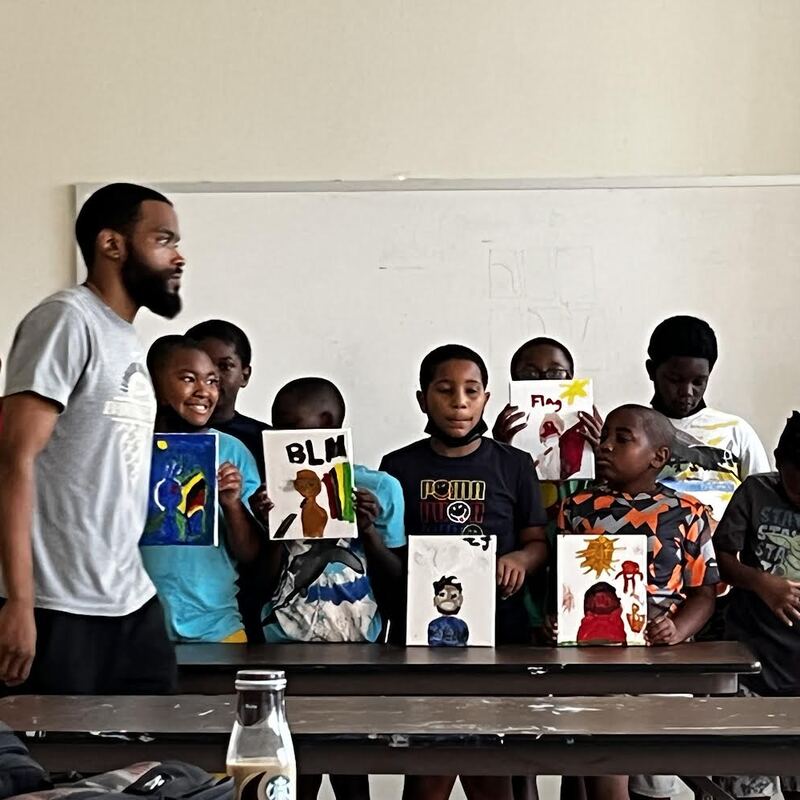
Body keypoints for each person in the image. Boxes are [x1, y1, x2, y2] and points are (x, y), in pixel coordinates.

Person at [0, 183, 183, 693]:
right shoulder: (66, 319)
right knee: (62, 747)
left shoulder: (123, 337)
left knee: (164, 740)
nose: (178, 256)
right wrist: (19, 602)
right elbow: (13, 460)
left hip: (129, 599)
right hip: (58, 605)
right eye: (163, 239)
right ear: (112, 244)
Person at [380, 343, 548, 800]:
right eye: (445, 390)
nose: (459, 402)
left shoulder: (514, 465)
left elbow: (537, 542)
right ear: (422, 400)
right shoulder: (398, 467)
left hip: (500, 635)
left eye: (471, 391)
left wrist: (520, 560)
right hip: (424, 640)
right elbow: (391, 555)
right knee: (429, 767)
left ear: (486, 400)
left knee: (494, 763)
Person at [558, 405, 720, 800]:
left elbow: (704, 594)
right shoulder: (576, 508)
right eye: (604, 437)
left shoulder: (688, 513)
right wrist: (558, 619)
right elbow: (563, 584)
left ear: (658, 456)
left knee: (654, 784)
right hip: (594, 663)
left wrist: (677, 629)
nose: (605, 446)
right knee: (605, 770)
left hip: (661, 668)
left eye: (622, 439)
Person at [265, 377, 406, 800]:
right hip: (282, 648)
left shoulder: (380, 488)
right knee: (292, 769)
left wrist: (370, 532)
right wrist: (267, 525)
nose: (278, 438)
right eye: (276, 428)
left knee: (350, 765)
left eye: (289, 427)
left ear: (328, 425)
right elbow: (256, 579)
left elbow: (398, 584)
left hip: (356, 647)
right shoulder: (270, 488)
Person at [140, 336, 262, 643]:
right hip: (137, 633)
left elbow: (252, 555)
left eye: (212, 381)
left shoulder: (231, 451)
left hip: (217, 628)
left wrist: (232, 504)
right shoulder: (129, 446)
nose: (204, 391)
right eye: (188, 379)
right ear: (154, 384)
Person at [713, 411, 800, 800]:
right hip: (752, 668)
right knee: (745, 789)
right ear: (779, 461)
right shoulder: (755, 492)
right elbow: (723, 558)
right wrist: (762, 582)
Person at [492, 337, 601, 642]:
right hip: (524, 549)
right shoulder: (505, 439)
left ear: (572, 379)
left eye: (556, 374)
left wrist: (602, 451)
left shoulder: (589, 435)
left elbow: (610, 499)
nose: (543, 381)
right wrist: (500, 447)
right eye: (529, 375)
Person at [185, 319, 271, 642]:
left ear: (245, 374)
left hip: (243, 600)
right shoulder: (151, 440)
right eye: (200, 370)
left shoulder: (265, 441)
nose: (213, 379)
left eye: (224, 366)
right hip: (182, 598)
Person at [646, 315, 770, 524]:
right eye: (675, 380)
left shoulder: (736, 431)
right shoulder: (633, 432)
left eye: (698, 382)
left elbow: (763, 502)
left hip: (725, 540)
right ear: (651, 371)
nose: (687, 391)